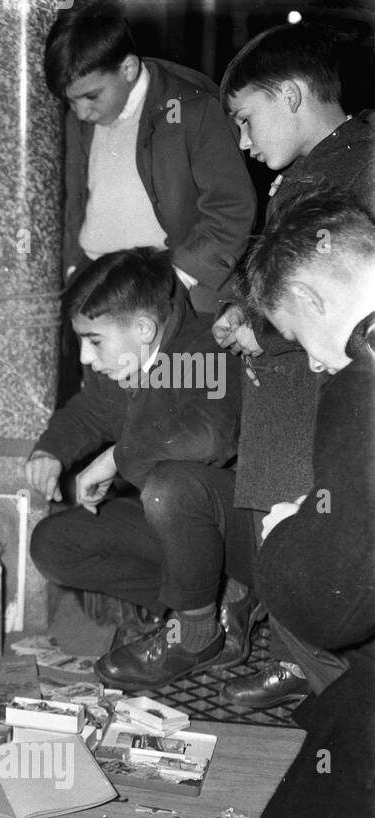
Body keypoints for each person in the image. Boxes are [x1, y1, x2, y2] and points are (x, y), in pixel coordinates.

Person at [210, 19, 375, 709]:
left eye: (248, 119)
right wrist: (242, 310)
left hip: (317, 385)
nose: (244, 143)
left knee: (310, 522)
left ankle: (328, 682)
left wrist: (261, 327)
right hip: (288, 382)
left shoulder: (358, 161)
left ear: (291, 96)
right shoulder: (317, 166)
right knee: (280, 514)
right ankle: (295, 657)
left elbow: (337, 282)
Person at [233, 189, 375, 818]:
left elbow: (335, 601)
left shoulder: (365, 381)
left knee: (356, 711)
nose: (316, 363)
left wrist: (289, 535)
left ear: (317, 295)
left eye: (302, 337)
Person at [25, 248, 245, 690]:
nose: (86, 358)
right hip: (177, 527)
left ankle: (201, 628)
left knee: (170, 486)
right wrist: (50, 451)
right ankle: (205, 601)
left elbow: (207, 437)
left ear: (144, 328)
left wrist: (115, 457)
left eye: (94, 341)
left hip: (233, 527)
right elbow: (87, 413)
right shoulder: (128, 363)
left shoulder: (205, 352)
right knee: (53, 544)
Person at [46, 0, 255, 316]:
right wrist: (74, 275)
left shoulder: (193, 108)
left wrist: (176, 281)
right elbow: (72, 204)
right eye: (70, 101)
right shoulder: (79, 116)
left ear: (128, 69)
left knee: (173, 369)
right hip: (97, 292)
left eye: (91, 96)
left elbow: (232, 208)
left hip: (176, 294)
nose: (81, 113)